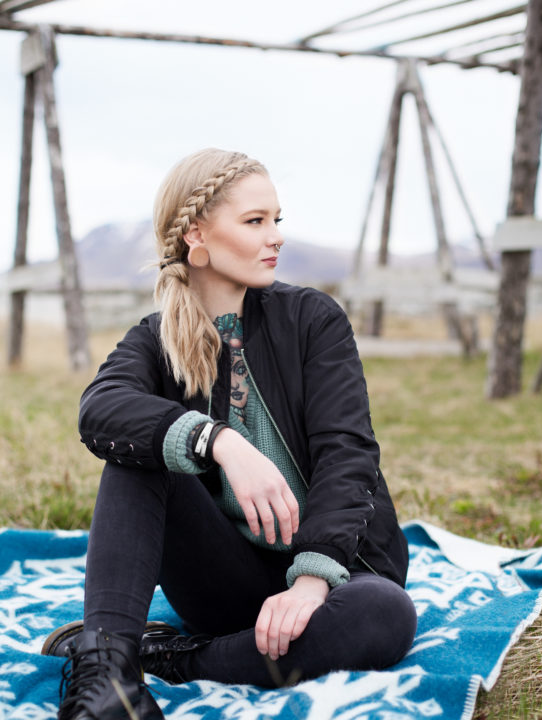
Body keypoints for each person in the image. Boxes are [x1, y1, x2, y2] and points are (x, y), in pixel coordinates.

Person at [42, 148, 417, 720]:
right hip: (227, 585)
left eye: (276, 220)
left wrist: (312, 580)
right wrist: (217, 440)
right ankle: (108, 680)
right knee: (136, 453)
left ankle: (176, 659)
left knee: (385, 616)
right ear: (197, 234)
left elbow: (349, 454)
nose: (276, 237)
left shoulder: (312, 320)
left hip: (337, 582)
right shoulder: (154, 341)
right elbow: (100, 411)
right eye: (255, 221)